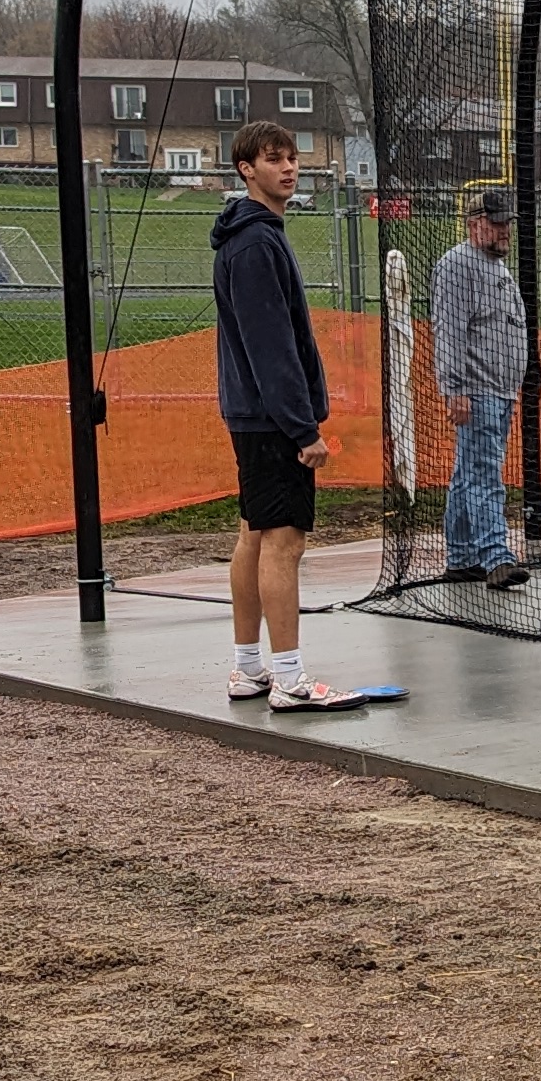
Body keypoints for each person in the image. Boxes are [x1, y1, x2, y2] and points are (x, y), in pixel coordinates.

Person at [209, 123, 373, 710]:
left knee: (254, 533)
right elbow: (270, 344)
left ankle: (248, 669)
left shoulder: (258, 236)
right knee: (283, 541)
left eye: (292, 158)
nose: (287, 168)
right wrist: (302, 429)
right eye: (272, 159)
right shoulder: (254, 245)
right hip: (270, 421)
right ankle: (290, 679)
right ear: (246, 169)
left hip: (255, 415)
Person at [428, 189, 530, 590]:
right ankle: (495, 557)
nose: (505, 230)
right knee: (483, 474)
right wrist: (454, 388)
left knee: (468, 471)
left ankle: (462, 557)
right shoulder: (458, 266)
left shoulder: (496, 266)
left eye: (507, 223)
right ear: (474, 224)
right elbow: (448, 332)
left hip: (500, 390)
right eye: (497, 223)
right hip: (478, 389)